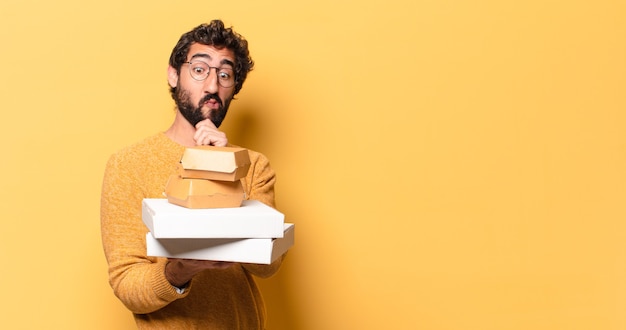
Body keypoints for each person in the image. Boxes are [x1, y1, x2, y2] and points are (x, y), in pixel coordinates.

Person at [100, 20, 284, 329]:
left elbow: (270, 264)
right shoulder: (127, 165)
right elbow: (127, 284)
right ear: (173, 75)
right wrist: (178, 272)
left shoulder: (254, 166)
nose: (212, 86)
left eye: (224, 75)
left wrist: (222, 168)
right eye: (200, 70)